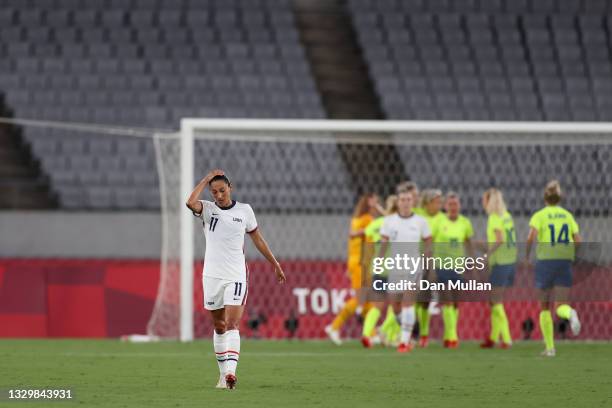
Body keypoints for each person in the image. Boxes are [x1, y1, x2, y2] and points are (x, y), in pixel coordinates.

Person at [186, 169, 286, 389]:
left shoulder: (244, 211)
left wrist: (275, 263)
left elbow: (257, 239)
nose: (219, 195)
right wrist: (205, 180)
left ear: (230, 187)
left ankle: (231, 373)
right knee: (219, 326)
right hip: (211, 275)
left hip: (236, 274)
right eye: (214, 192)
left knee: (232, 324)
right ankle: (222, 375)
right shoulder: (207, 209)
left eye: (222, 190)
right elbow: (189, 202)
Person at [525, 180, 581, 357]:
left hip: (546, 262)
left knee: (544, 306)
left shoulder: (539, 216)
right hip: (563, 261)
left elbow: (530, 237)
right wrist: (570, 255)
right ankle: (570, 313)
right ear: (560, 198)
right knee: (560, 305)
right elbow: (578, 240)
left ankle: (550, 348)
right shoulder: (567, 216)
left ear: (544, 198)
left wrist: (527, 256)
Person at [379, 190, 432, 353]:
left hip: (413, 266)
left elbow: (428, 241)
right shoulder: (389, 221)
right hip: (395, 266)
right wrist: (379, 261)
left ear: (412, 202)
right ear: (398, 202)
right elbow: (384, 243)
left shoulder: (421, 222)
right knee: (395, 305)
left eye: (408, 199)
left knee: (407, 302)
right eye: (402, 199)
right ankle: (411, 329)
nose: (406, 202)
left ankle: (404, 342)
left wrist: (426, 260)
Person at [325, 193, 382, 345]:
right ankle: (334, 327)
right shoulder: (368, 220)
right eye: (376, 202)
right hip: (362, 263)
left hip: (355, 262)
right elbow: (371, 244)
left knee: (366, 299)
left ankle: (372, 332)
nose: (377, 205)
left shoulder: (356, 220)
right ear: (370, 204)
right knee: (360, 298)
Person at [433, 192, 474, 349]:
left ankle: (448, 334)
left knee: (456, 303)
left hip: (458, 266)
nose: (453, 207)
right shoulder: (438, 221)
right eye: (450, 204)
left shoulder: (465, 223)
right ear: (445, 207)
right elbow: (430, 242)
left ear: (459, 206)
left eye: (455, 204)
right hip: (441, 265)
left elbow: (468, 243)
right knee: (447, 300)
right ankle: (452, 336)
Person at [360, 194, 401, 347]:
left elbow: (367, 238)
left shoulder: (377, 223)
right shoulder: (400, 225)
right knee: (397, 305)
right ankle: (388, 334)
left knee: (377, 305)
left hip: (378, 267)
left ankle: (366, 334)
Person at [479, 188, 517, 349]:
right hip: (510, 261)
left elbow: (500, 239)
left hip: (501, 262)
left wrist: (486, 255)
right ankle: (494, 337)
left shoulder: (494, 218)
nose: (482, 202)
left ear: (489, 201)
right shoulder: (507, 216)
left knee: (495, 300)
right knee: (493, 300)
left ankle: (506, 338)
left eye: (484, 199)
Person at [414, 188, 445, 347]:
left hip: (430, 263)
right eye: (437, 202)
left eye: (440, 202)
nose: (439, 205)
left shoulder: (442, 219)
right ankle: (395, 331)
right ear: (428, 202)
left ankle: (423, 334)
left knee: (425, 301)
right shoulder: (416, 213)